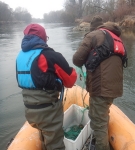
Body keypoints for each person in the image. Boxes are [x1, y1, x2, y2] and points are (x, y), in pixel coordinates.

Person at [16, 23, 77, 150]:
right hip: (48, 112)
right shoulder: (49, 55)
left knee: (43, 135)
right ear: (43, 38)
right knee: (55, 144)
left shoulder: (19, 57)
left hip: (29, 111)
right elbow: (70, 81)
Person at [73, 16, 127, 150]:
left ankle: (101, 146)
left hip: (100, 87)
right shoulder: (115, 37)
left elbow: (77, 59)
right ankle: (99, 139)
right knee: (102, 117)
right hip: (114, 88)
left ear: (93, 27)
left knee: (98, 122)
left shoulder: (93, 35)